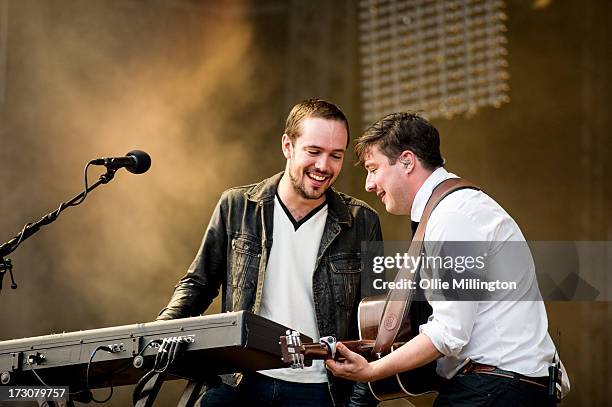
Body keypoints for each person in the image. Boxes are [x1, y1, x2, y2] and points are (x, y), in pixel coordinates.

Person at [325, 112, 570, 406]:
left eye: (373, 169)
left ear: (407, 161)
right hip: (499, 385)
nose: (368, 184)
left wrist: (372, 370)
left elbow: (450, 332)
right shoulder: (450, 209)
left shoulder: (453, 215)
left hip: (496, 387)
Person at [157, 98, 382, 407]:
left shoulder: (362, 221)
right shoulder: (236, 205)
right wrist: (159, 335)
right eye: (314, 152)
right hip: (240, 380)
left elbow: (374, 323)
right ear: (287, 145)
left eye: (335, 156)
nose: (324, 166)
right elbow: (198, 284)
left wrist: (360, 400)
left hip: (321, 390)